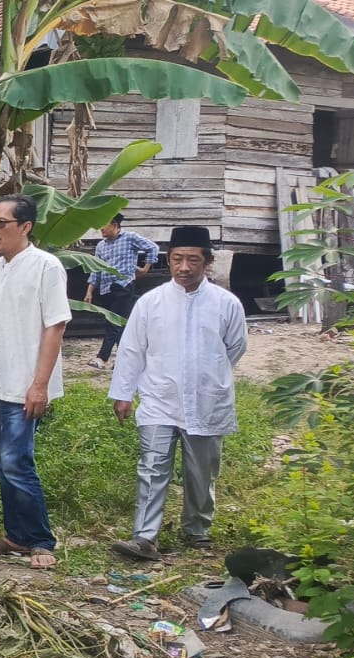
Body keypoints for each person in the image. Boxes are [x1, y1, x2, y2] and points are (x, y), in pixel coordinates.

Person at [108, 226, 247, 560]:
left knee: (202, 471)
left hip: (206, 399)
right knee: (152, 467)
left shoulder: (226, 303)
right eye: (177, 259)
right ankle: (145, 537)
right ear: (168, 261)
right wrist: (123, 393)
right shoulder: (150, 303)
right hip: (159, 397)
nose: (184, 267)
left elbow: (236, 347)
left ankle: (197, 529)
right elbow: (131, 350)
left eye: (192, 260)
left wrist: (205, 372)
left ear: (207, 262)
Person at [0, 193, 71, 571]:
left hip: (23, 383)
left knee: (16, 461)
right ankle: (15, 536)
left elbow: (55, 325)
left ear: (25, 227)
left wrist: (39, 384)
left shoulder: (46, 267)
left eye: (1, 224)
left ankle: (41, 540)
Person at [83, 214, 159, 369]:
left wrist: (145, 268)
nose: (101, 229)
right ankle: (127, 359)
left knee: (113, 323)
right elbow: (96, 270)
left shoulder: (130, 237)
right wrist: (89, 291)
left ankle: (102, 358)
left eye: (104, 225)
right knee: (118, 324)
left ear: (115, 225)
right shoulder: (100, 246)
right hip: (105, 288)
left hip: (123, 285)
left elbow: (152, 247)